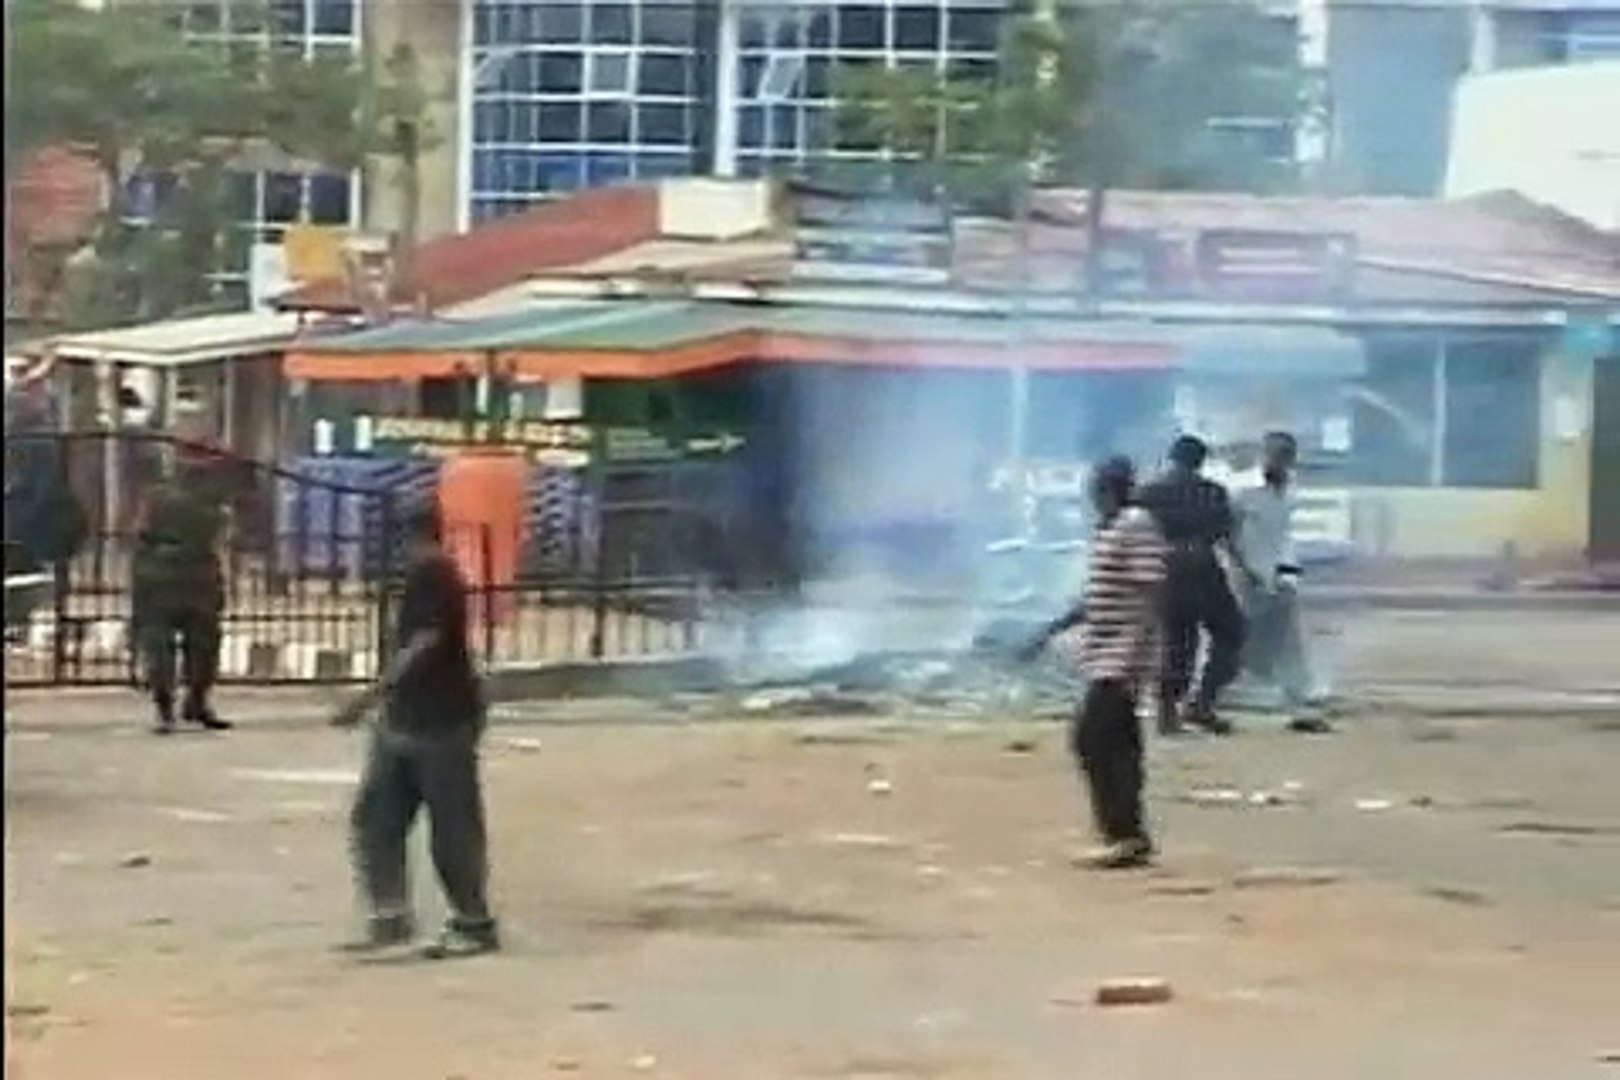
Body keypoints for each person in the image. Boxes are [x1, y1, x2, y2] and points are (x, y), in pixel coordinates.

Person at [331, 500, 499, 960]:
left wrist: (372, 693)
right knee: (377, 819)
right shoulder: (428, 573)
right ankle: (390, 916)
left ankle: (473, 921)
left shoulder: (433, 572)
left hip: (437, 719)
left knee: (451, 826)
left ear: (410, 535)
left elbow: (425, 641)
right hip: (407, 718)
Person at [1021, 457, 1167, 869]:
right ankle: (1127, 834)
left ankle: (1124, 832)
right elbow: (1095, 599)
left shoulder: (1135, 525)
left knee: (1093, 738)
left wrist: (1137, 653)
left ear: (1112, 489)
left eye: (1098, 489)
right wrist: (1051, 631)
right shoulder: (1110, 530)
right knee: (1117, 742)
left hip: (1121, 656)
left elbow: (1151, 592)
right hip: (1106, 653)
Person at [1137, 434, 1246, 736]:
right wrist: (1246, 569)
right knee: (1231, 633)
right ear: (1200, 463)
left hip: (1166, 569)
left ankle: (1171, 712)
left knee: (1179, 642)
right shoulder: (1212, 493)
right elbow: (1226, 538)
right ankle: (1201, 703)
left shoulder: (1147, 493)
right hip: (1201, 566)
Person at [1233, 431, 1331, 734]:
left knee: (1287, 632)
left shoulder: (1290, 492)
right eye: (1276, 453)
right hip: (1243, 572)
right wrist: (1240, 568)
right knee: (1241, 631)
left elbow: (1283, 535)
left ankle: (1297, 686)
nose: (1281, 460)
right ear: (1265, 454)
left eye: (1287, 455)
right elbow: (1228, 532)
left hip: (1275, 571)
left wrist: (1288, 571)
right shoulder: (1242, 489)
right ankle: (1237, 685)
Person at [131, 463, 231, 735]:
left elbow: (140, 534)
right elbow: (218, 534)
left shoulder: (155, 499)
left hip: (158, 579)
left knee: (159, 648)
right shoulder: (212, 508)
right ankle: (196, 702)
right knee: (203, 647)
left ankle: (166, 709)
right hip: (197, 580)